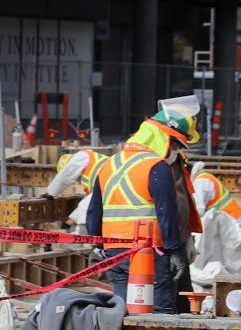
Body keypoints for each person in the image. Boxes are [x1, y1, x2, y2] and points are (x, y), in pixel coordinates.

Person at [87, 97, 203, 313]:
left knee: (123, 312)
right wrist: (175, 250)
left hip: (116, 251)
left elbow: (94, 211)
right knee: (160, 315)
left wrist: (95, 245)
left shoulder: (109, 163)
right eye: (176, 144)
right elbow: (166, 212)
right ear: (165, 137)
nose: (177, 149)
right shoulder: (156, 167)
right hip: (152, 251)